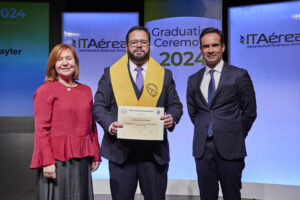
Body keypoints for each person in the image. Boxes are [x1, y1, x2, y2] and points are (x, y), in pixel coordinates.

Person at [93, 26, 183, 200]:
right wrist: (111, 125)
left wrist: (172, 117)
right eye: (134, 42)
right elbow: (99, 106)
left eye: (143, 42)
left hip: (154, 154)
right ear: (127, 47)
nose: (139, 46)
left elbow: (176, 105)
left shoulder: (164, 75)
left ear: (149, 46)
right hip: (120, 153)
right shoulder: (110, 74)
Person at [186, 27, 257, 200]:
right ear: (201, 49)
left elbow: (250, 112)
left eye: (215, 45)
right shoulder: (193, 79)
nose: (210, 50)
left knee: (232, 195)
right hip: (203, 150)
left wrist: (235, 134)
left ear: (223, 47)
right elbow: (193, 113)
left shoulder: (239, 75)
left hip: (231, 149)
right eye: (206, 46)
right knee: (206, 196)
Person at [30, 44, 101, 200]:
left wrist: (96, 154)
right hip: (56, 161)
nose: (65, 63)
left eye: (69, 58)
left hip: (82, 159)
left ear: (75, 62)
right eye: (59, 59)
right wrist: (47, 161)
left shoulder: (86, 90)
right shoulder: (46, 90)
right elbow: (41, 129)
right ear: (53, 65)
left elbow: (92, 126)